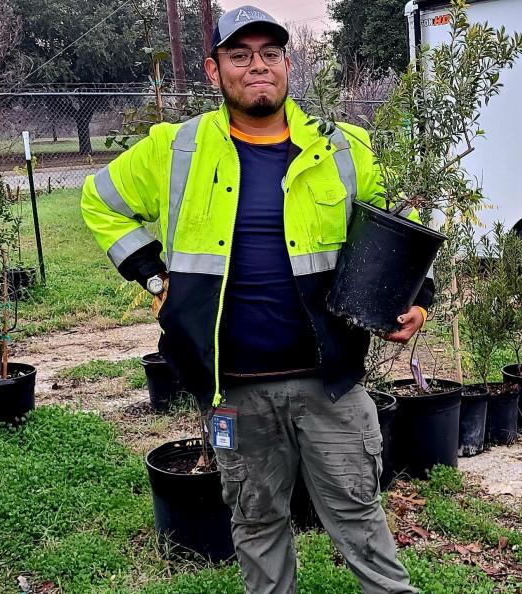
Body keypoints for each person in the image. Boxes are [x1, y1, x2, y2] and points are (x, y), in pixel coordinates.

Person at [80, 6, 431, 593]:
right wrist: (152, 276)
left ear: (288, 66)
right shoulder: (176, 149)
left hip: (331, 383)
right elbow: (99, 199)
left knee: (361, 523)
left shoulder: (343, 148)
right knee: (257, 524)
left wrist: (415, 298)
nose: (257, 66)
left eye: (270, 53)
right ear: (215, 71)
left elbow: (405, 220)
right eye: (240, 55)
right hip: (232, 390)